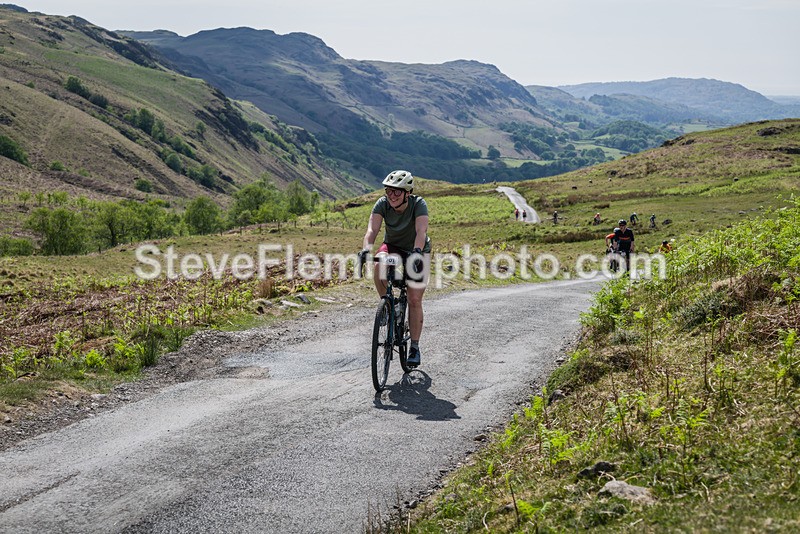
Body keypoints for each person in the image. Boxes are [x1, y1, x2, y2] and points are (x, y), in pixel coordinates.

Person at [359, 170, 431, 367]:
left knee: (414, 299)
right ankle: (389, 307)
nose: (391, 195)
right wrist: (366, 249)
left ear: (408, 193)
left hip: (418, 249)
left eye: (397, 192)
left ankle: (414, 347)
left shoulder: (418, 204)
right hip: (393, 247)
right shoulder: (382, 204)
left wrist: (416, 252)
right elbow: (372, 230)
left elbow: (421, 231)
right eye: (389, 191)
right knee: (378, 262)